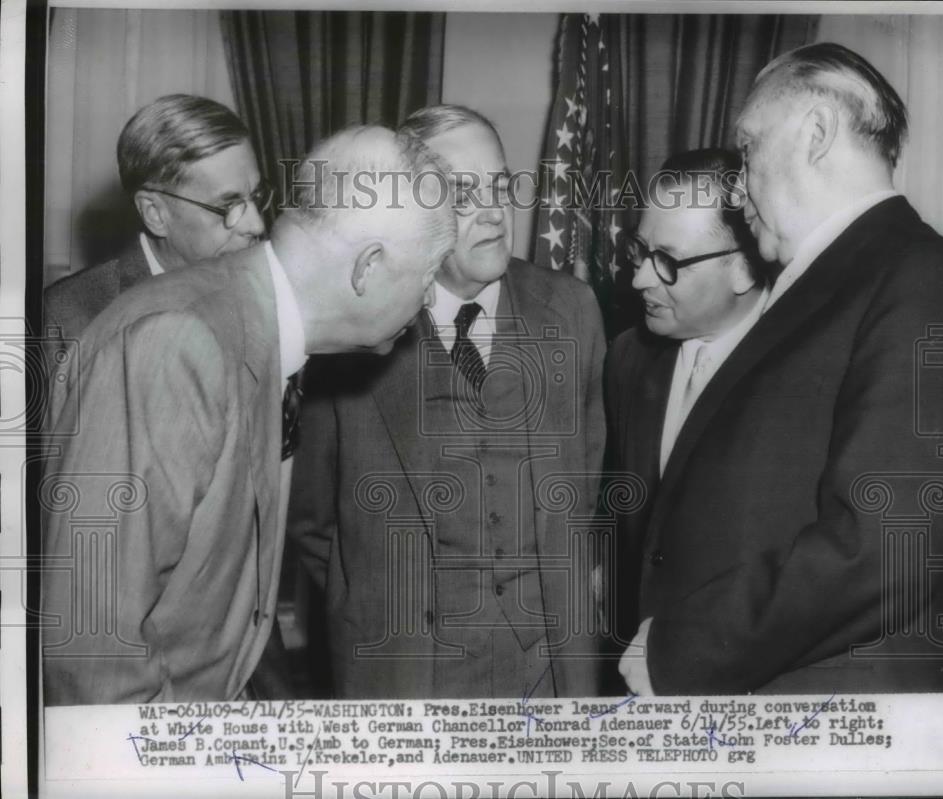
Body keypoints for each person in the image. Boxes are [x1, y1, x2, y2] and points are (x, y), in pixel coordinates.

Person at [41, 126, 456, 704]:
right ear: (367, 268)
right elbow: (94, 655)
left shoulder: (259, 328)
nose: (430, 298)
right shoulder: (179, 343)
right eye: (429, 274)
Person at [615, 42, 943, 695]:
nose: (738, 180)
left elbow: (886, 547)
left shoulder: (925, 274)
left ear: (816, 133)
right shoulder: (819, 280)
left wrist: (684, 650)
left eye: (749, 148)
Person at [288, 104, 607, 699]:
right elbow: (313, 525)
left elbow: (585, 490)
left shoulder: (572, 310)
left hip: (548, 674)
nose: (492, 214)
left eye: (500, 186)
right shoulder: (346, 331)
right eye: (462, 195)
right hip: (404, 675)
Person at [604, 148, 768, 660]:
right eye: (640, 251)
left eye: (668, 262)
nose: (638, 280)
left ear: (744, 269)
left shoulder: (803, 374)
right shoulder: (628, 357)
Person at [43, 94, 267, 340]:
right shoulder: (67, 319)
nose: (256, 225)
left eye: (255, 196)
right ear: (155, 214)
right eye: (228, 206)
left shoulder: (267, 293)